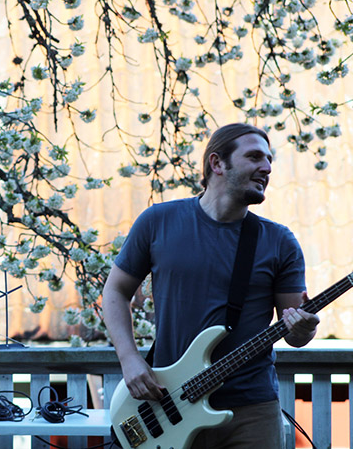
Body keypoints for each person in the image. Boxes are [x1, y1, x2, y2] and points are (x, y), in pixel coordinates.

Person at [102, 123, 320, 448]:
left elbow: (295, 334)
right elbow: (115, 291)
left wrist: (304, 328)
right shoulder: (158, 222)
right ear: (217, 163)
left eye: (269, 159)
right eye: (255, 157)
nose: (267, 168)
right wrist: (129, 359)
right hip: (168, 404)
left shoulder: (279, 241)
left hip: (252, 412)